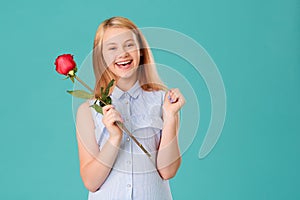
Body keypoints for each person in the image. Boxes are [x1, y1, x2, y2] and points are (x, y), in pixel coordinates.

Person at [76, 16, 185, 200]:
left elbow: (168, 171)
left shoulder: (164, 102)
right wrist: (114, 138)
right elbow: (91, 182)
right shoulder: (88, 111)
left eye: (129, 45)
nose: (123, 53)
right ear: (101, 56)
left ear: (141, 51)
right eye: (112, 48)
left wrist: (171, 117)